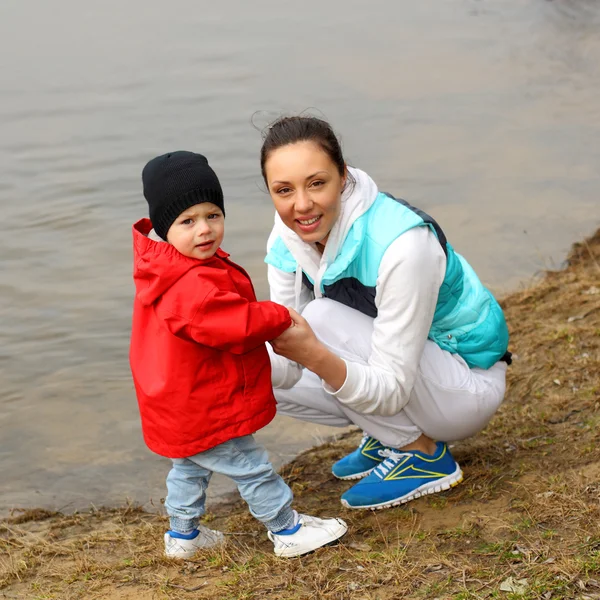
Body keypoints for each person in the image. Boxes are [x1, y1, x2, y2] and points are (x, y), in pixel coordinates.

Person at [261, 116, 511, 511]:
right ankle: (388, 434)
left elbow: (389, 385)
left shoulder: (402, 244)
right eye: (284, 190)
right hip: (405, 372)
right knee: (254, 368)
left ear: (343, 177)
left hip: (463, 386)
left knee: (319, 320)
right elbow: (288, 361)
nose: (302, 205)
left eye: (317, 183)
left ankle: (421, 455)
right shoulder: (286, 236)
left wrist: (315, 354)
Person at [129, 151, 347, 559]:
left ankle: (183, 536)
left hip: (179, 400)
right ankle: (286, 529)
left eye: (213, 215)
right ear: (164, 226)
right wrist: (279, 315)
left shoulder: (169, 268)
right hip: (203, 403)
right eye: (187, 221)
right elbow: (232, 322)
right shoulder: (187, 285)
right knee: (249, 464)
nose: (205, 230)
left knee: (190, 467)